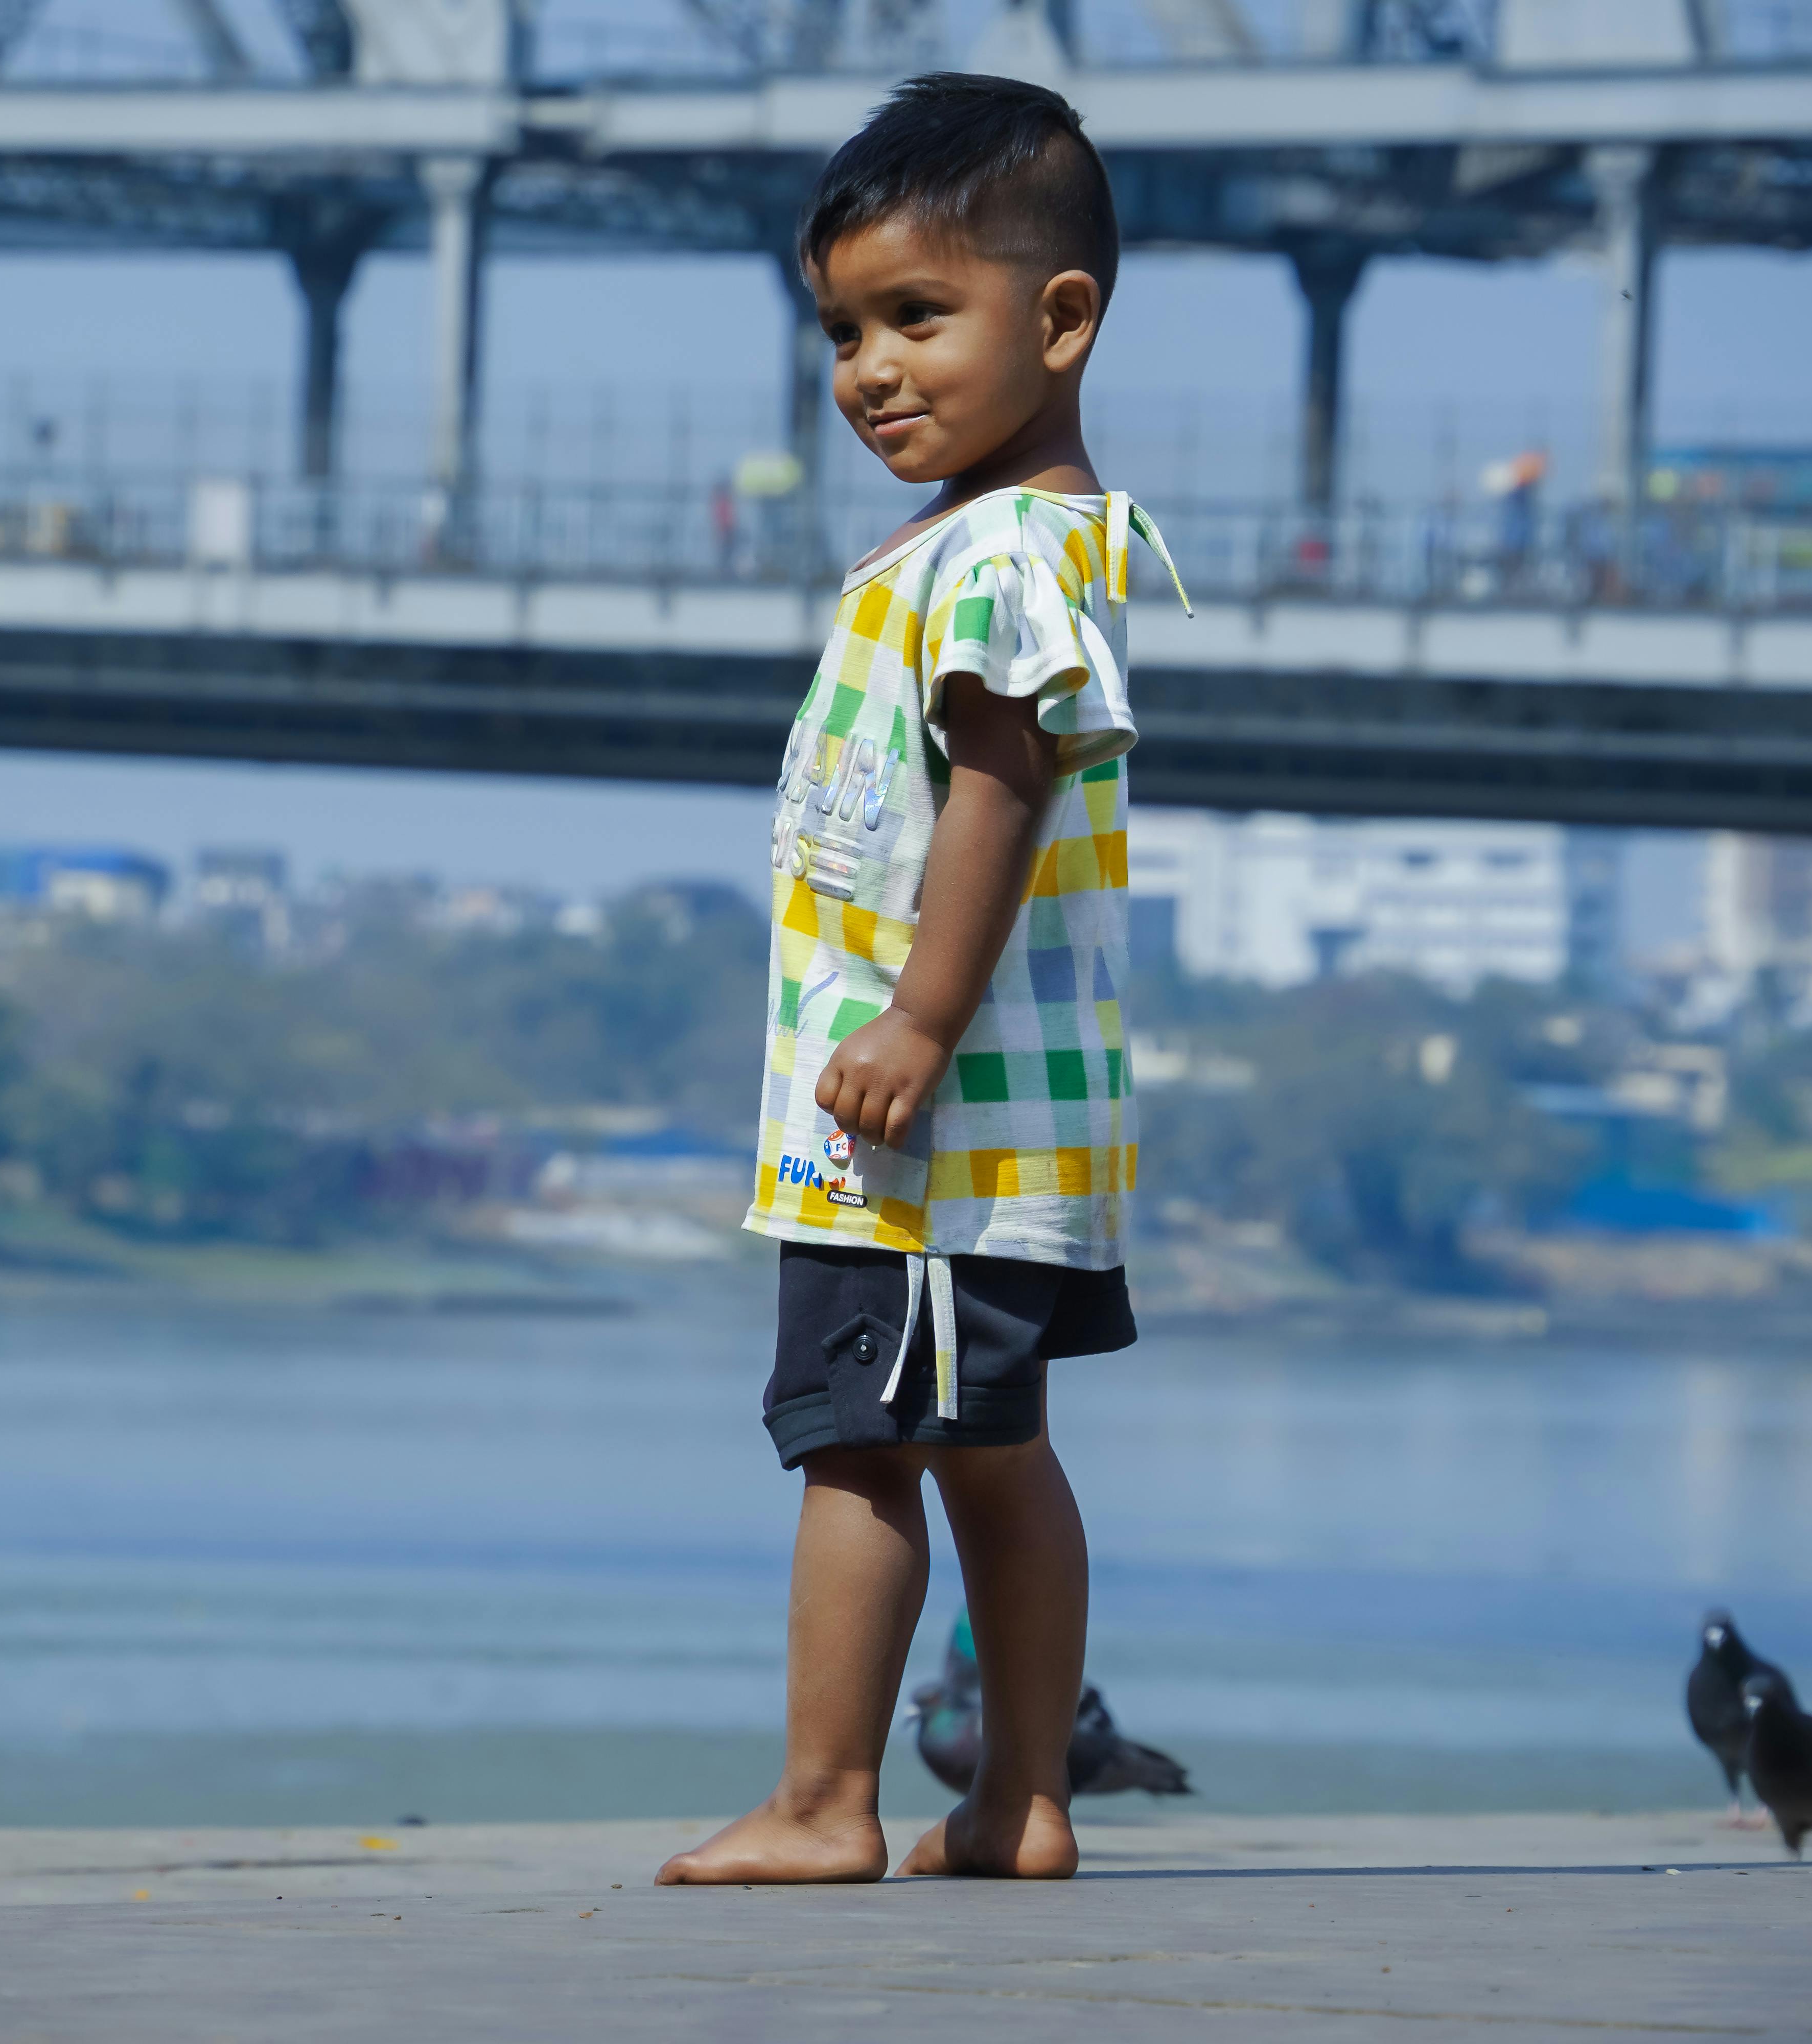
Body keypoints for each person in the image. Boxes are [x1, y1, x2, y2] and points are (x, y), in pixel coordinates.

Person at [658, 72, 1179, 1890]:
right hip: (988, 1131)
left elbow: (1000, 783)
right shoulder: (1018, 543)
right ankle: (1022, 1799)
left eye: (916, 316)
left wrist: (916, 1020)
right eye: (844, 328)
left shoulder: (1000, 557)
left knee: (857, 1453)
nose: (870, 367)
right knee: (992, 1455)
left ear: (1063, 318)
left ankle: (822, 1805)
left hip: (920, 1133)